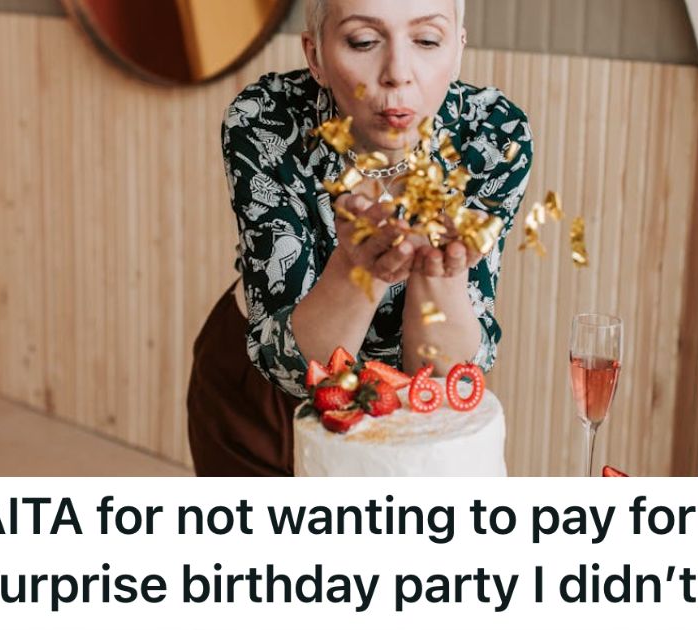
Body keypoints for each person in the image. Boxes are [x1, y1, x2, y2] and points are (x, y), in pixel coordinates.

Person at [187, 0, 533, 476]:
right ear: (316, 56)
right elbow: (291, 370)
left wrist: (441, 272)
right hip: (265, 406)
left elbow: (445, 370)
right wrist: (357, 271)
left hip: (416, 411)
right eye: (364, 41)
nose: (397, 73)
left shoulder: (493, 136)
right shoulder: (264, 118)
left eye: (428, 41)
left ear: (457, 50)